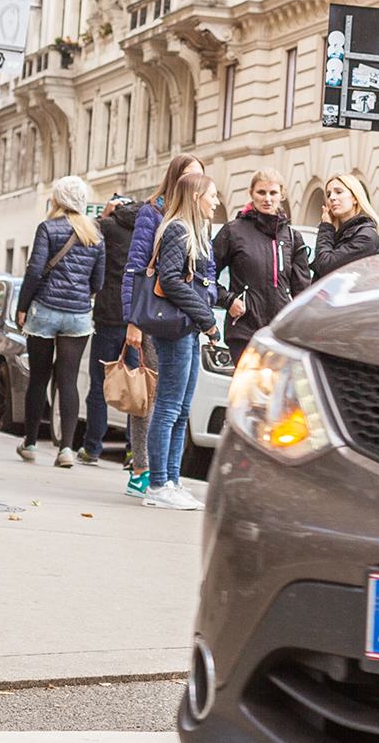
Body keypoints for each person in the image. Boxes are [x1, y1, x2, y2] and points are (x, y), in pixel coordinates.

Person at [130, 171, 222, 510]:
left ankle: (171, 480)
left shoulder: (195, 231)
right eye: (212, 195)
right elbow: (169, 280)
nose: (216, 201)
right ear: (196, 197)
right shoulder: (178, 230)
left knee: (181, 408)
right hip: (176, 328)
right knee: (169, 407)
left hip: (187, 327)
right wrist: (206, 318)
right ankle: (157, 485)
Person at [119, 154, 202, 496]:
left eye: (200, 176)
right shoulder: (152, 212)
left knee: (174, 402)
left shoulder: (197, 216)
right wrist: (132, 320)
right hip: (154, 316)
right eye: (189, 176)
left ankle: (166, 476)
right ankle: (142, 469)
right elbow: (136, 266)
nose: (196, 182)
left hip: (181, 318)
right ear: (175, 178)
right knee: (149, 395)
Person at [16, 175, 106, 466]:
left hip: (45, 309)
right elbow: (98, 282)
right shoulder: (95, 235)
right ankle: (66, 448)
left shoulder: (47, 228)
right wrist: (79, 296)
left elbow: (34, 270)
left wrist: (22, 306)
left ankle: (30, 443)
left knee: (38, 378)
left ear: (56, 200)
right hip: (78, 316)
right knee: (68, 381)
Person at [214, 168, 311, 365]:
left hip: (281, 334)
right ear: (251, 194)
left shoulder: (292, 237)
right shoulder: (233, 232)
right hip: (244, 331)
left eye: (273, 193)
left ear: (281, 195)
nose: (267, 199)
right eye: (261, 192)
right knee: (248, 393)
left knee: (276, 394)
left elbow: (303, 291)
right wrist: (228, 300)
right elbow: (204, 275)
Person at [81, 193, 139, 466]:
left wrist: (105, 214)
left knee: (100, 385)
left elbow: (84, 232)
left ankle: (92, 448)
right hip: (136, 320)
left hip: (107, 318)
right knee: (134, 388)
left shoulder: (107, 226)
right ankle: (132, 450)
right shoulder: (145, 229)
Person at [312, 172, 379, 279]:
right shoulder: (337, 234)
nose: (332, 198)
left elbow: (325, 265)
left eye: (339, 192)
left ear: (355, 198)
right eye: (328, 194)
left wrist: (326, 227)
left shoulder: (366, 237)